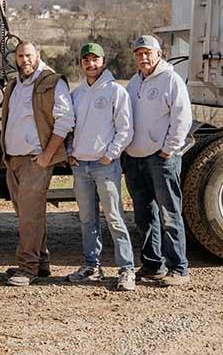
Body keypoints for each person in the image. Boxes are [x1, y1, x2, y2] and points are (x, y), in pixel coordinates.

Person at [1, 40, 74, 287]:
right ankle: (41, 262)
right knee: (27, 215)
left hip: (36, 160)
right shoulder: (15, 83)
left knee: (30, 217)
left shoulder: (52, 82)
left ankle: (27, 268)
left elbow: (65, 121)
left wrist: (47, 156)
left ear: (38, 55)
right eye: (20, 56)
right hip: (14, 159)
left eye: (29, 55)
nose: (25, 60)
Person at [65, 42, 135, 291]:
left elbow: (125, 129)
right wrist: (70, 152)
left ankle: (126, 269)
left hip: (105, 166)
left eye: (95, 59)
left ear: (103, 62)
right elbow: (70, 127)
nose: (90, 64)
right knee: (87, 219)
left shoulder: (116, 91)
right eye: (86, 60)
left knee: (114, 217)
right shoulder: (77, 94)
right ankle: (91, 265)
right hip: (80, 166)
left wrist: (110, 154)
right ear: (81, 63)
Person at [124, 35, 192, 286]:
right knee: (144, 215)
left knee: (170, 214)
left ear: (159, 54)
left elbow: (182, 118)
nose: (143, 58)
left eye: (147, 53)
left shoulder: (170, 80)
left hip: (160, 158)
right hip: (135, 158)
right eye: (138, 54)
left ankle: (179, 268)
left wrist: (169, 149)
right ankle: (153, 265)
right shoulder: (133, 83)